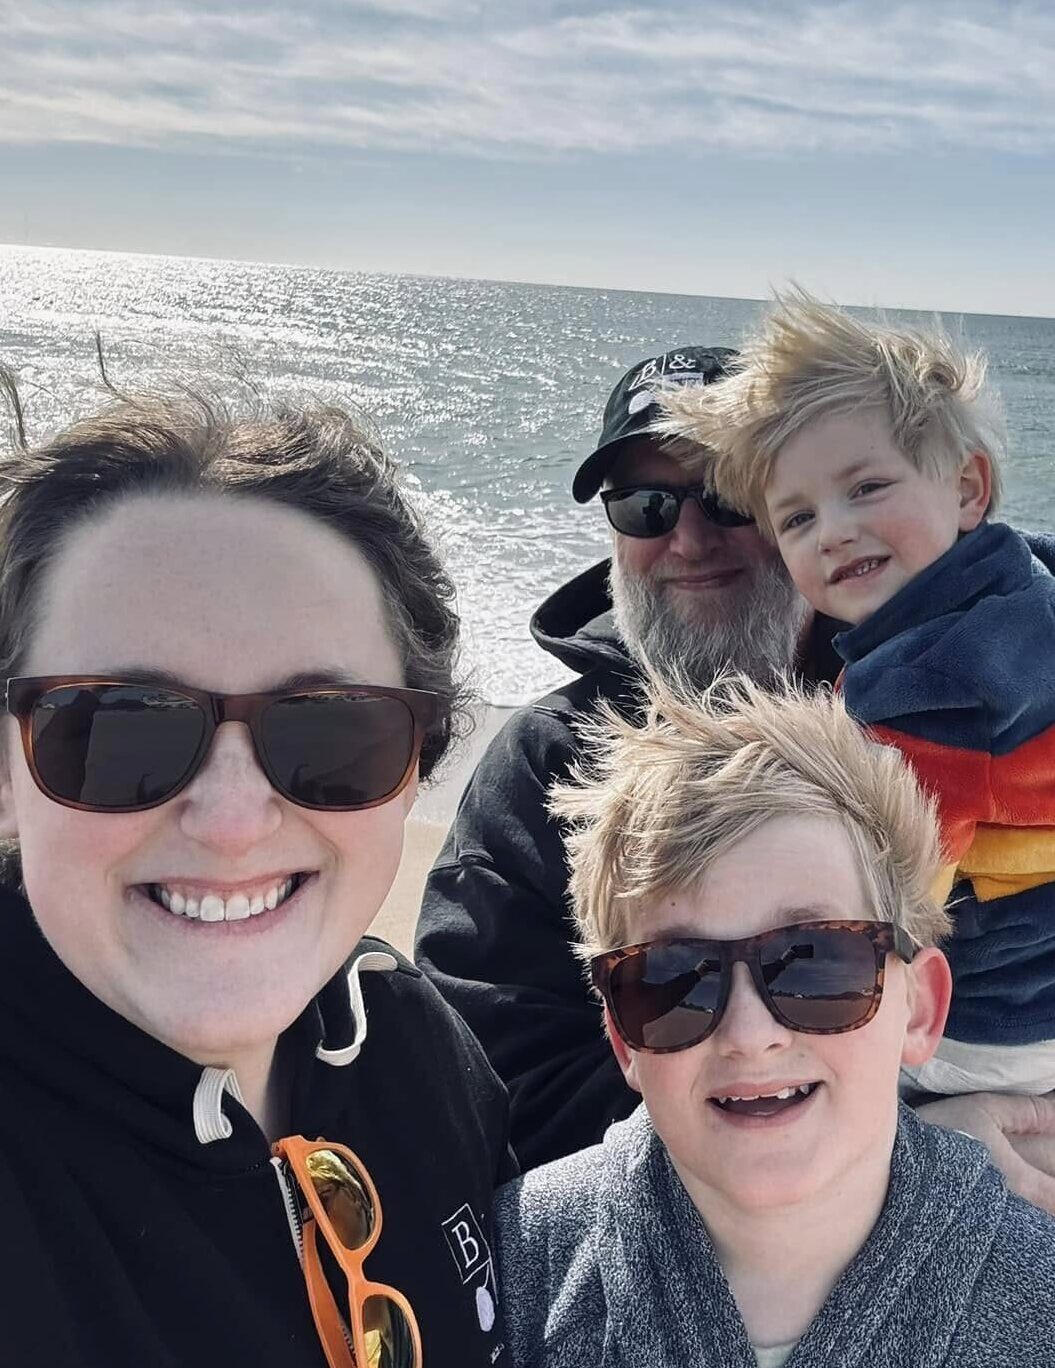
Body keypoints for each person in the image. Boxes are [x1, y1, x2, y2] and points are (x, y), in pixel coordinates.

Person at [0, 388, 528, 1368]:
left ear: (416, 763)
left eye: (330, 731)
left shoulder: (411, 1045)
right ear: (7, 774)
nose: (234, 821)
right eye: (118, 727)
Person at [415, 345, 1055, 1191]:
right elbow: (495, 1090)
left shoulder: (950, 704)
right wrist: (904, 1156)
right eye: (643, 506)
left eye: (727, 498)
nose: (686, 539)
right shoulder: (548, 764)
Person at [495, 677, 1055, 1368]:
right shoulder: (510, 1281)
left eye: (816, 962)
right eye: (673, 980)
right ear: (622, 1037)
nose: (749, 1034)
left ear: (919, 1009)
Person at [662, 291, 1055, 1100]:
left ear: (967, 488)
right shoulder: (1022, 581)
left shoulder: (926, 689)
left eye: (867, 487)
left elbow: (893, 889)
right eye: (796, 518)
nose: (833, 530)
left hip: (995, 1021)